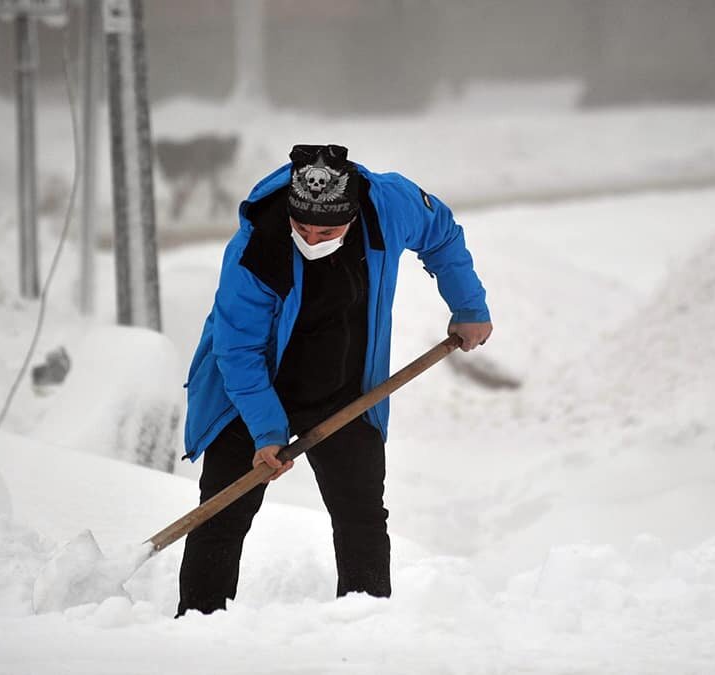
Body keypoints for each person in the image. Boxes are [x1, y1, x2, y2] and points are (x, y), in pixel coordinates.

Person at [176, 144, 492, 615]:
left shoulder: (388, 205)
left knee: (360, 513)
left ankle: (365, 624)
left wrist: (468, 307)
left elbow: (441, 233)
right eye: (301, 226)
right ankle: (197, 626)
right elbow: (237, 351)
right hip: (250, 391)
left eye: (327, 230)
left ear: (353, 213)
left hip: (343, 388)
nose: (312, 237)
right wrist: (266, 432)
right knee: (223, 510)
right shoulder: (256, 248)